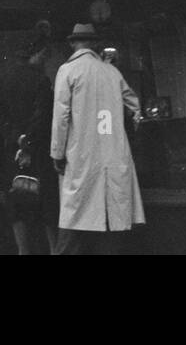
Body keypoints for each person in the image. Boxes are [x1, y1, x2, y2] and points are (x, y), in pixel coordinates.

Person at [50, 22, 145, 255]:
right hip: (113, 155)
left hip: (80, 155)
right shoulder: (112, 72)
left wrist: (57, 154)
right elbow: (134, 107)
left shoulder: (68, 71)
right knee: (110, 222)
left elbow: (61, 117)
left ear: (73, 44)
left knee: (73, 220)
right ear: (94, 44)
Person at [0, 26, 60, 254]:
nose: (46, 58)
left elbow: (1, 116)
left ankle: (23, 251)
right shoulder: (41, 80)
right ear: (37, 52)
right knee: (48, 205)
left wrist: (18, 140)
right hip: (38, 150)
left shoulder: (5, 78)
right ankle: (54, 250)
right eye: (45, 53)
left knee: (18, 204)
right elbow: (43, 116)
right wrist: (29, 143)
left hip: (14, 151)